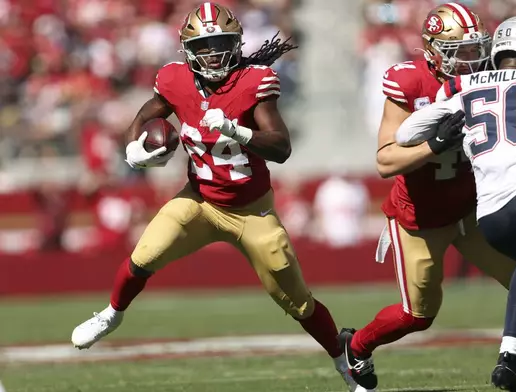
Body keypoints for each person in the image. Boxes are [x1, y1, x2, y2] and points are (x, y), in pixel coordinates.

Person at [70, 4, 364, 391]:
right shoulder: (175, 80)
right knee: (143, 256)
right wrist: (133, 149)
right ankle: (111, 313)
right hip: (200, 201)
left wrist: (236, 131)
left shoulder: (253, 82)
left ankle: (344, 360)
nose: (213, 54)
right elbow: (144, 116)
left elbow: (281, 147)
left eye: (221, 44)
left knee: (298, 303)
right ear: (188, 49)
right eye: (205, 45)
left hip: (253, 212)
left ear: (237, 44)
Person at [341, 4, 516, 392]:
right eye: (461, 52)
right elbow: (386, 161)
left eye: (477, 50)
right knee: (417, 315)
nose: (472, 62)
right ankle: (356, 346)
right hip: (419, 217)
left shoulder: (491, 76)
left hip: (476, 208)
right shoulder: (408, 82)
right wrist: (433, 145)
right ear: (432, 52)